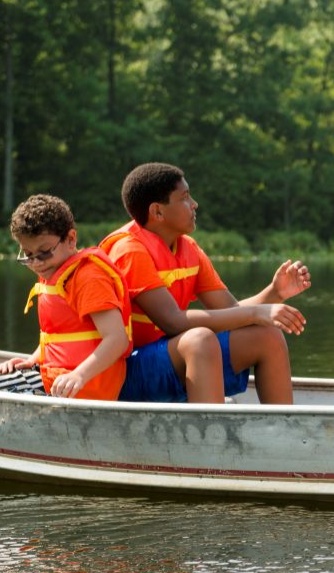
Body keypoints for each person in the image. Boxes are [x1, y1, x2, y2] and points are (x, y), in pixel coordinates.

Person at [100, 162, 310, 404]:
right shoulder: (129, 251)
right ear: (157, 212)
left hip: (172, 357)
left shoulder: (188, 248)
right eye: (185, 197)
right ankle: (210, 438)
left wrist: (274, 293)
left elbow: (230, 312)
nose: (194, 204)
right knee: (199, 340)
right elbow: (173, 322)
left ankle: (283, 435)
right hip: (128, 371)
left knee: (268, 336)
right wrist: (257, 312)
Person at [0, 194, 132, 400]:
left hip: (84, 385)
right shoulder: (54, 272)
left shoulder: (88, 278)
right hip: (57, 377)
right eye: (27, 254)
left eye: (44, 252)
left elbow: (117, 339)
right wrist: (33, 360)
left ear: (71, 239)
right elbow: (64, 336)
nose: (37, 262)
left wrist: (79, 374)